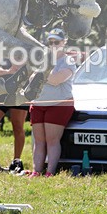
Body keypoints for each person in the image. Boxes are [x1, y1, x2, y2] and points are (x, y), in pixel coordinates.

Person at [25, 28, 76, 177]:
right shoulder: (43, 59)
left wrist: (40, 73)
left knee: (52, 140)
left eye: (57, 42)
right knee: (39, 141)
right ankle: (36, 171)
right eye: (50, 42)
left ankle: (50, 172)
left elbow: (55, 80)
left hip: (58, 104)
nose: (53, 44)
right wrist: (40, 73)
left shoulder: (68, 61)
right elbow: (30, 79)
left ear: (64, 42)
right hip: (39, 103)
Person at [0, 59, 29, 174]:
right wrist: (7, 71)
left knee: (17, 125)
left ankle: (16, 162)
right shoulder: (2, 49)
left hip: (20, 89)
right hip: (2, 89)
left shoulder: (25, 47)